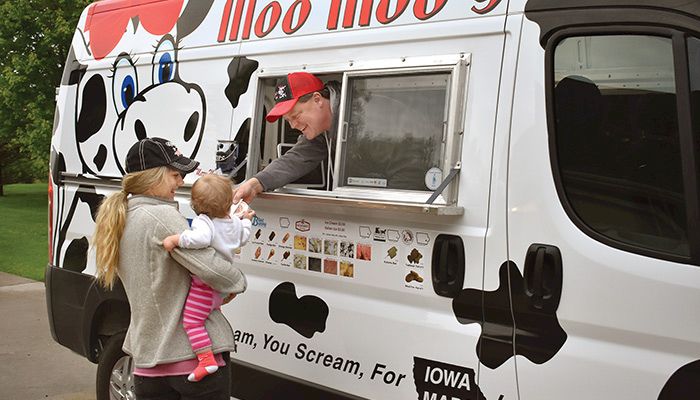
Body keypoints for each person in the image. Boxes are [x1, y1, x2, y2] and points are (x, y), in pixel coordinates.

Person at [93, 137, 246, 399]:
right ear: (154, 177)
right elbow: (217, 272)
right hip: (191, 361)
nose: (180, 182)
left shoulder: (121, 217)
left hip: (147, 366)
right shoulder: (162, 217)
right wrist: (236, 282)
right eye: (175, 175)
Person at [162, 174, 255, 382]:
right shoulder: (233, 221)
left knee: (192, 322)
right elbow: (244, 237)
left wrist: (175, 239)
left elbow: (199, 239)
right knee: (208, 318)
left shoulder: (204, 222)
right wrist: (247, 220)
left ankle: (206, 360)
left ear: (196, 204)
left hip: (204, 286)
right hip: (220, 289)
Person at [234, 71, 340, 203]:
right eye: (288, 120)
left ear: (317, 99)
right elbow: (296, 159)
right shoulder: (319, 133)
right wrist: (254, 184)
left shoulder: (357, 115)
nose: (293, 125)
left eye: (295, 116)